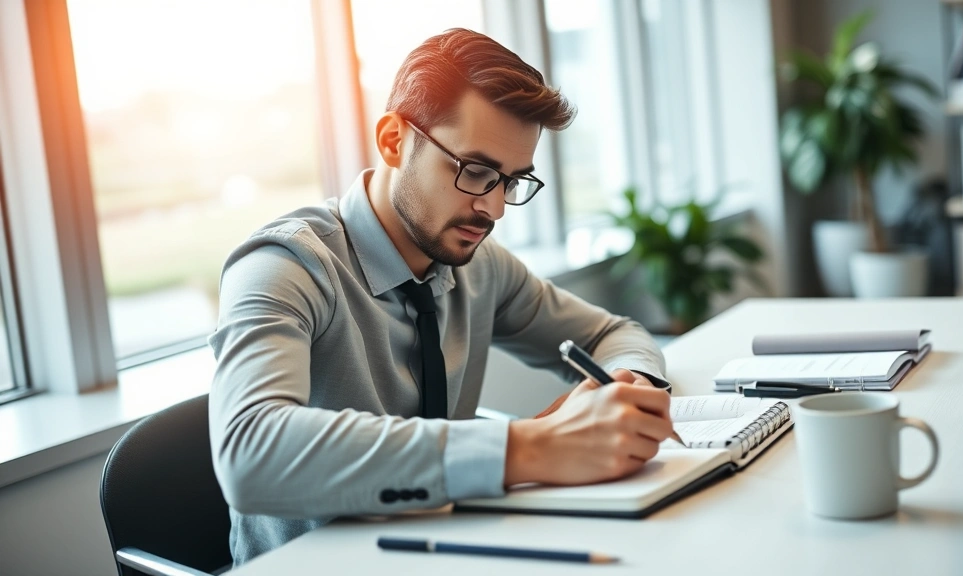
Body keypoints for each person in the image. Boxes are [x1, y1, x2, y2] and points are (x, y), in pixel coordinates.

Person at [209, 28, 675, 566]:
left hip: (454, 552)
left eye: (512, 180)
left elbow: (610, 334)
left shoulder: (480, 266)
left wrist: (623, 390)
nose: (495, 209)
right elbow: (249, 455)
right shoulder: (282, 266)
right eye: (476, 172)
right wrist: (528, 448)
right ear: (393, 140)